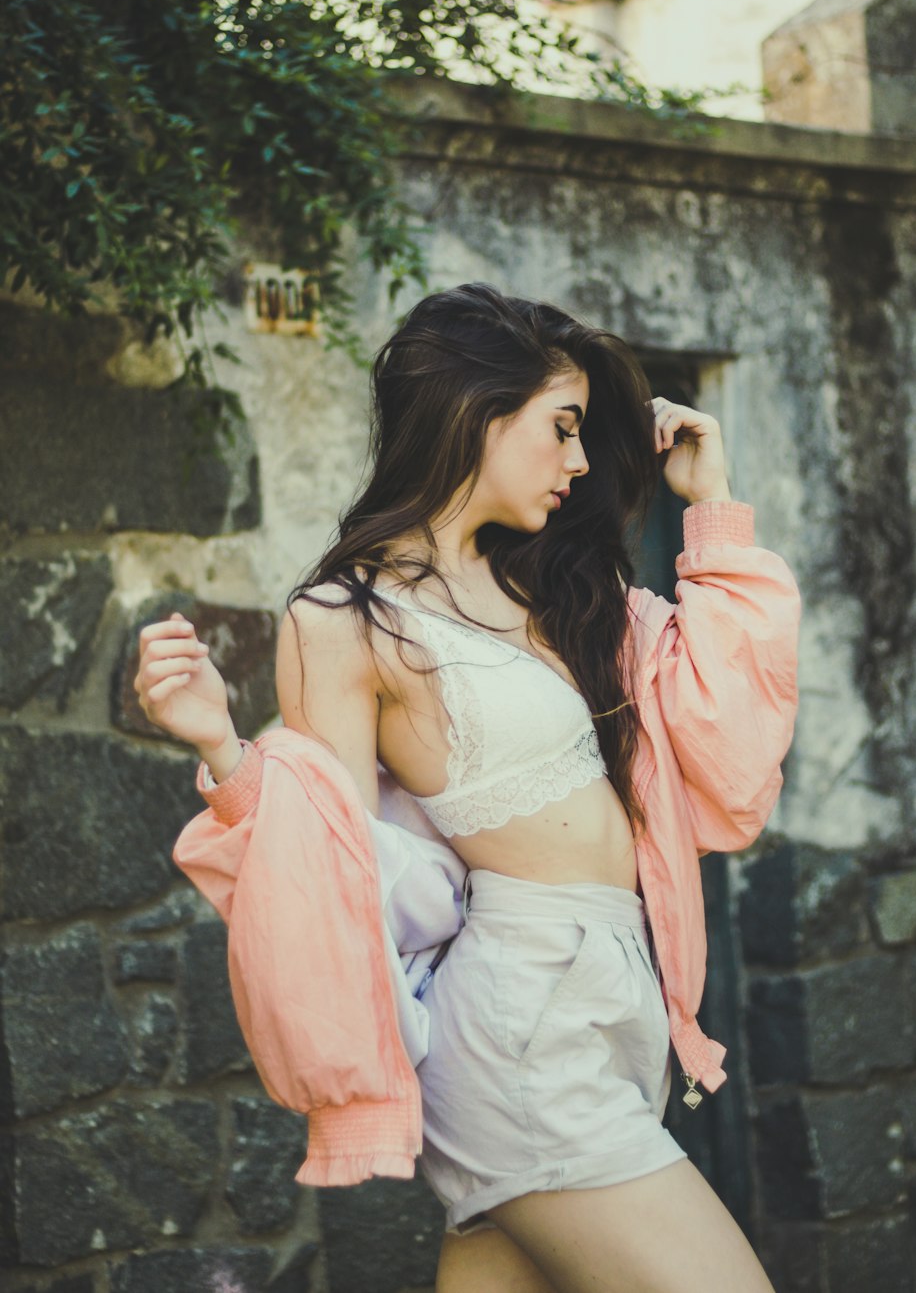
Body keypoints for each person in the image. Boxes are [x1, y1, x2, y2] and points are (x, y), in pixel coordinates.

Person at [135, 282, 800, 1293]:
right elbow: (342, 875)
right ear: (474, 412)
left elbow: (729, 750)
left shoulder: (560, 591)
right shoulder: (345, 618)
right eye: (560, 428)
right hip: (521, 1031)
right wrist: (228, 754)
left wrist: (708, 507)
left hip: (612, 1010)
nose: (579, 462)